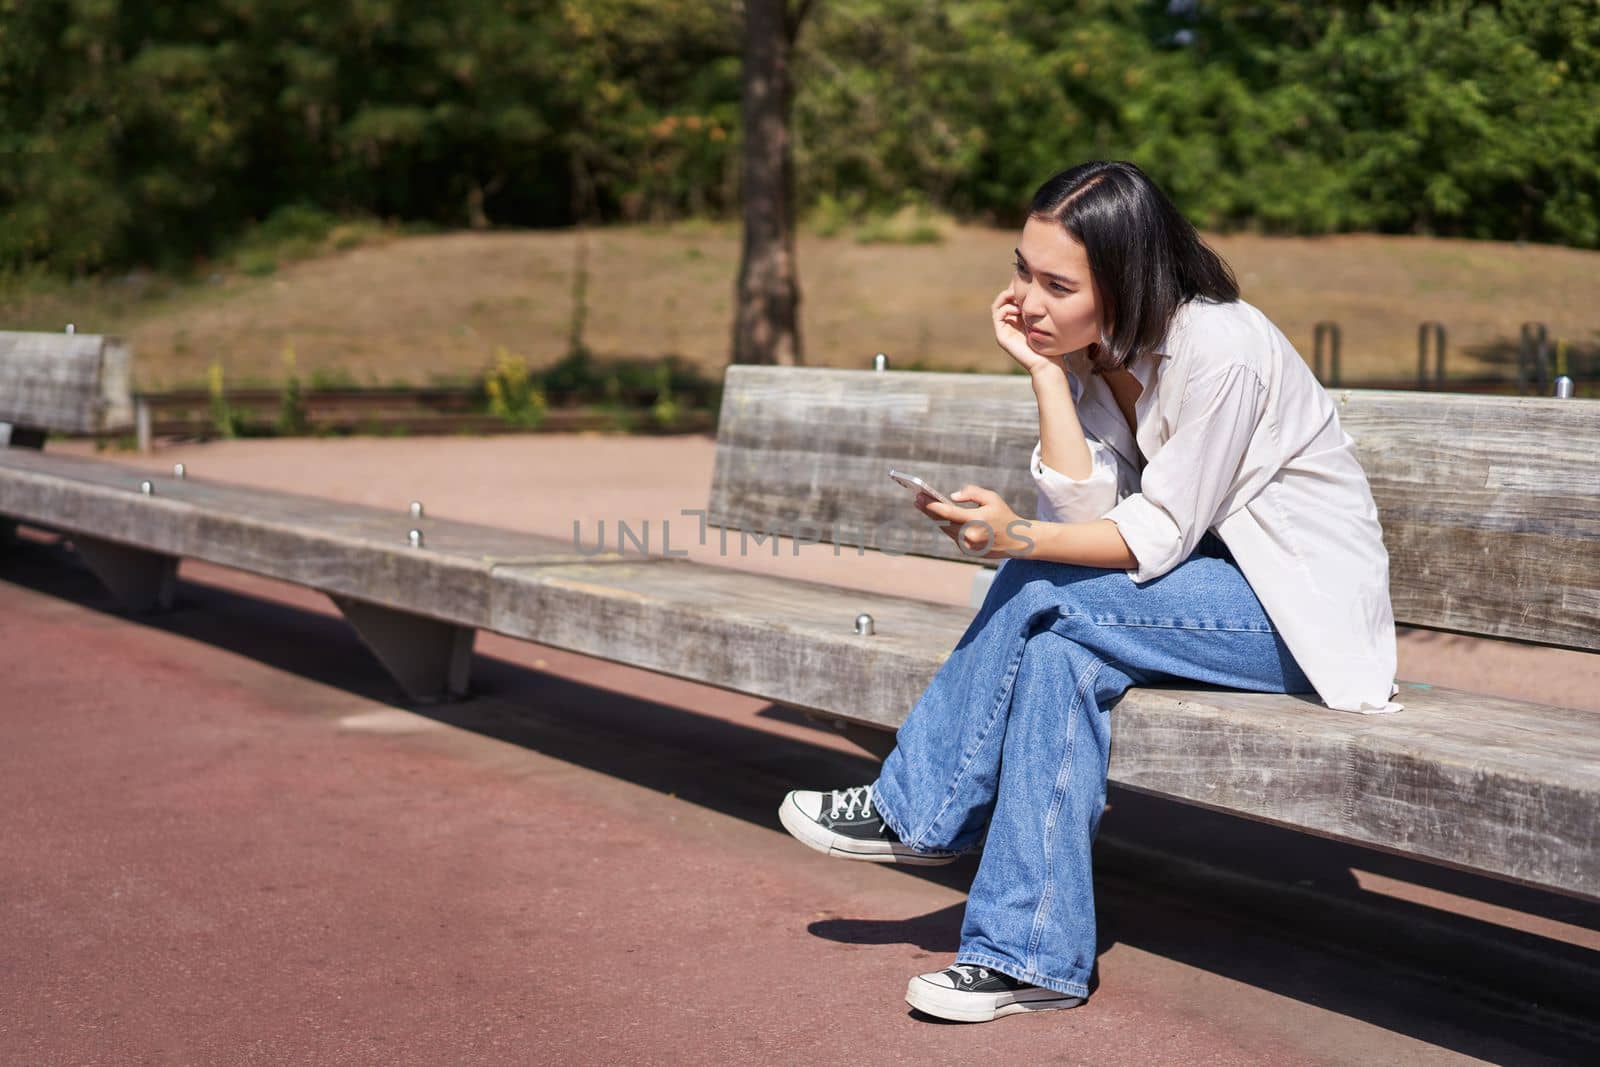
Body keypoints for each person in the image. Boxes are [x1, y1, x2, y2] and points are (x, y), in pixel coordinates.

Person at [777, 160, 1401, 1024]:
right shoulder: (1096, 353)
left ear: (1126, 277)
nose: (1026, 297)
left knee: (1039, 581)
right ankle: (1027, 955)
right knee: (1060, 647)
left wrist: (1012, 540)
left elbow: (1150, 536)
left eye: (1055, 283)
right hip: (1186, 604)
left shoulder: (1222, 344)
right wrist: (1043, 371)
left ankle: (914, 809)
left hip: (1294, 619)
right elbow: (1085, 510)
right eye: (1021, 270)